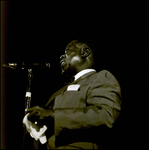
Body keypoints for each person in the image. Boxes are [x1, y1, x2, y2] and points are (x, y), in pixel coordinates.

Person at [24, 39, 122, 149]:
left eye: (67, 51)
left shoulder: (99, 78)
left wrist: (52, 115)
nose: (61, 56)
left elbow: (106, 115)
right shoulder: (59, 91)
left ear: (85, 52)